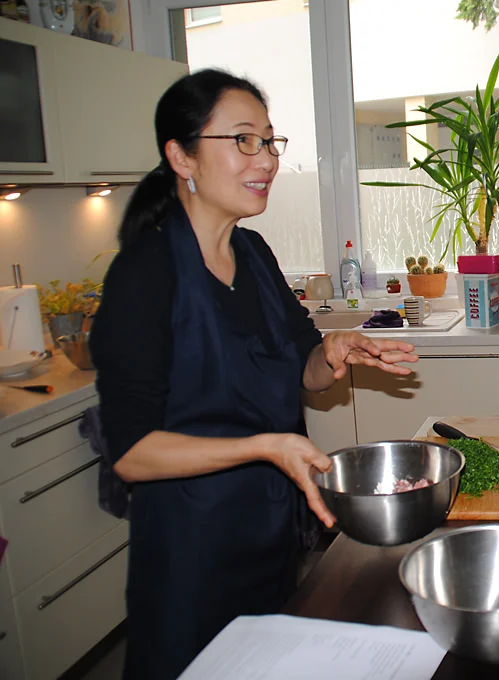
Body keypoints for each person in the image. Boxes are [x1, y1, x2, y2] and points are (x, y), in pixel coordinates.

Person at [90, 69, 419, 679]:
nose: (265, 159)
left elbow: (304, 368)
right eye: (243, 141)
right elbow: (131, 452)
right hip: (191, 552)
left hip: (271, 537)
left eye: (270, 142)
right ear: (181, 156)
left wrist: (335, 351)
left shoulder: (257, 254)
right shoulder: (146, 274)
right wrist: (264, 446)